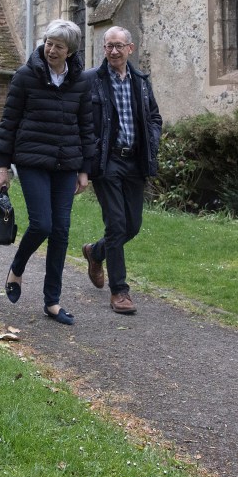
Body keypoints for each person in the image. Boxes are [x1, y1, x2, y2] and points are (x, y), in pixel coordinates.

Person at [0, 19, 95, 325]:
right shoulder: (26, 76)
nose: (51, 49)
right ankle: (18, 267)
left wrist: (84, 170)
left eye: (58, 46)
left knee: (61, 231)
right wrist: (3, 167)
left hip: (66, 164)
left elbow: (86, 127)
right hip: (32, 160)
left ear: (70, 51)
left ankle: (52, 301)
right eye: (48, 43)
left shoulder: (80, 82)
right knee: (42, 225)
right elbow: (8, 122)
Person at [81, 26, 162, 315]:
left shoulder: (140, 80)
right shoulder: (91, 80)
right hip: (107, 161)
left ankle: (96, 252)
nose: (113, 51)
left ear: (131, 48)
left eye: (119, 46)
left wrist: (151, 142)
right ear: (104, 49)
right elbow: (83, 122)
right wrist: (88, 159)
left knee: (133, 226)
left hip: (134, 161)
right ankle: (120, 291)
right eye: (108, 46)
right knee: (116, 225)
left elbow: (154, 116)